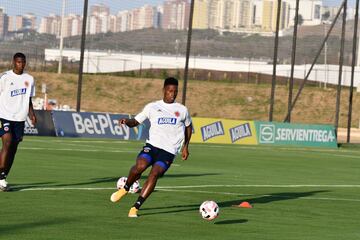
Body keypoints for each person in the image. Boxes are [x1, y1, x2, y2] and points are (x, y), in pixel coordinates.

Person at [110, 77, 192, 217]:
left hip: (169, 151)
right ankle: (125, 188)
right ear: (164, 90)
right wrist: (126, 121)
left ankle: (135, 207)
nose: (172, 94)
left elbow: (188, 127)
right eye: (170, 91)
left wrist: (186, 146)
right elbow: (135, 121)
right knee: (140, 166)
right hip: (152, 145)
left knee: (154, 174)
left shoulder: (182, 110)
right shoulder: (152, 107)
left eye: (175, 91)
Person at [0, 52, 36, 191]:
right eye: (19, 62)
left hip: (20, 118)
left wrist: (32, 114)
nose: (21, 65)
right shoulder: (4, 77)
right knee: (7, 143)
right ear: (13, 62)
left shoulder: (30, 79)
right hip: (4, 115)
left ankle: (3, 176)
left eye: (23, 62)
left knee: (13, 149)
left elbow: (29, 99)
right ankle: (1, 177)